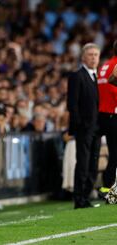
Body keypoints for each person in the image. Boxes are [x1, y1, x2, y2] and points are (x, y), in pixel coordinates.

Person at [67, 43, 101, 209]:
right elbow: (72, 104)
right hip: (84, 129)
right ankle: (79, 199)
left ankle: (86, 196)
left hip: (98, 128)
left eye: (96, 54)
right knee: (83, 163)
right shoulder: (77, 76)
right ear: (83, 57)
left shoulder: (99, 77)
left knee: (93, 164)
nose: (93, 57)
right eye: (90, 55)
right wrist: (79, 125)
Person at [97, 40, 117, 194]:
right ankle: (109, 188)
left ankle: (107, 187)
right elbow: (113, 90)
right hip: (113, 112)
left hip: (104, 113)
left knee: (114, 153)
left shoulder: (105, 65)